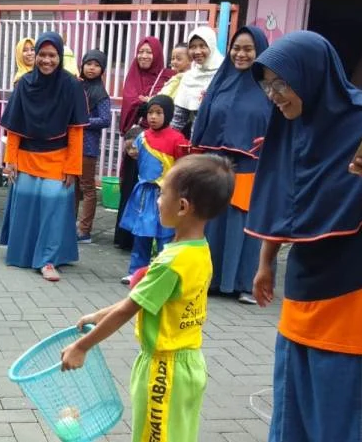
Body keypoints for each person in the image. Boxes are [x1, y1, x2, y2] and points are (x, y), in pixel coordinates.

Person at [246, 31, 362, 442]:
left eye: (281, 84)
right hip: (303, 289)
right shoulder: (290, 129)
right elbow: (281, 199)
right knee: (294, 414)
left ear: (311, 75)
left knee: (350, 417)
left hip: (360, 291)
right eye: (267, 85)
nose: (274, 95)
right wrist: (265, 263)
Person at [61, 154, 236, 442]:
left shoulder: (170, 264)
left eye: (162, 192)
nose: (157, 200)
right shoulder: (199, 251)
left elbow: (128, 310)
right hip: (189, 364)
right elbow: (143, 301)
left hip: (163, 370)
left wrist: (82, 347)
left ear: (182, 206)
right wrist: (97, 315)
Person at [0, 32, 89, 282]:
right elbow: (14, 128)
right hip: (26, 158)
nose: (46, 60)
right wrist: (11, 161)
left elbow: (75, 131)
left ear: (60, 57)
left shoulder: (72, 85)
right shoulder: (25, 84)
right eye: (42, 55)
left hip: (58, 159)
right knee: (26, 207)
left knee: (53, 207)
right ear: (35, 56)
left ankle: (47, 260)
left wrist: (73, 167)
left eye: (52, 55)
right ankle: (23, 254)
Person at [191, 26, 271, 304]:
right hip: (216, 163)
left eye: (248, 49)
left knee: (240, 222)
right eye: (236, 48)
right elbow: (204, 119)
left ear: (260, 51)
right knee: (213, 220)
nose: (241, 54)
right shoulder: (220, 80)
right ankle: (209, 280)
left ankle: (241, 284)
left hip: (250, 165)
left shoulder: (269, 85)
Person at [119, 95, 189, 284]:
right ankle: (136, 271)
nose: (153, 117)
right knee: (141, 234)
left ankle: (164, 272)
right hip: (144, 193)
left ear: (168, 115)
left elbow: (183, 165)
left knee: (165, 235)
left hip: (167, 195)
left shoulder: (177, 139)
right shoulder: (142, 137)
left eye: (159, 113)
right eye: (150, 112)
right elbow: (136, 157)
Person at [114, 37, 174, 250]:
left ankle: (152, 237)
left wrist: (147, 103)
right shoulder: (132, 76)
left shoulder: (168, 77)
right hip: (137, 142)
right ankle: (127, 237)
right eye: (141, 51)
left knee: (153, 189)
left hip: (159, 147)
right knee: (132, 188)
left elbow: (169, 105)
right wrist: (144, 103)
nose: (144, 56)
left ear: (157, 54)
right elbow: (131, 104)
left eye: (149, 52)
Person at [76, 49, 111, 244]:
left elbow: (105, 120)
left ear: (102, 69)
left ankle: (84, 230)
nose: (91, 68)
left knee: (87, 187)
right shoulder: (77, 86)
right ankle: (68, 223)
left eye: (97, 65)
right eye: (89, 63)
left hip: (87, 146)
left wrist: (83, 121)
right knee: (71, 186)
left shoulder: (101, 93)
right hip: (71, 144)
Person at [172, 26, 224, 137]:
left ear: (211, 45)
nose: (197, 51)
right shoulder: (189, 77)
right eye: (192, 47)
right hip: (197, 142)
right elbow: (178, 119)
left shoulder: (225, 73)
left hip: (221, 142)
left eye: (202, 46)